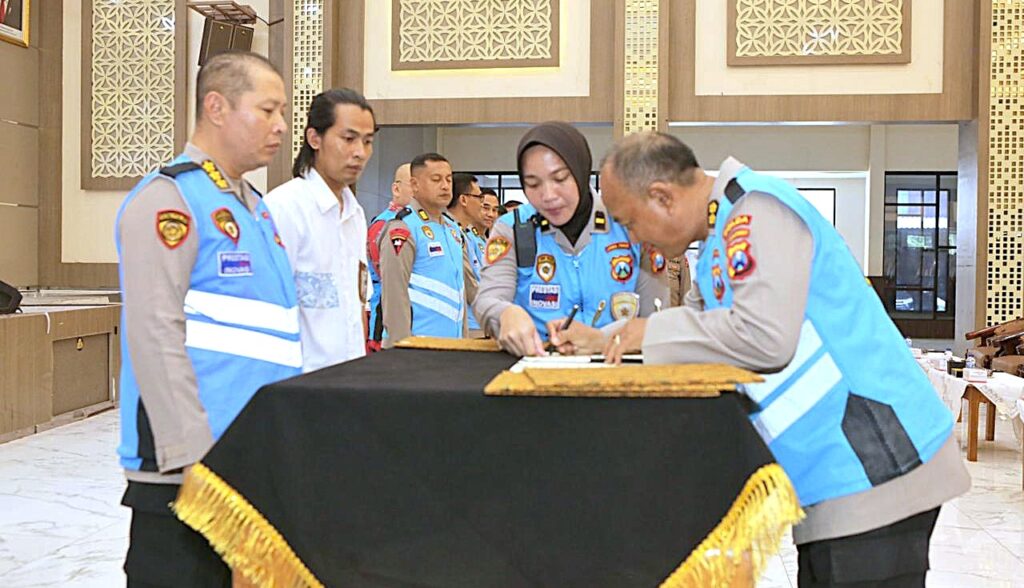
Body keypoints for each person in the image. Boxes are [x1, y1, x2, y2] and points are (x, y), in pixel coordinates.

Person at [553, 131, 970, 587]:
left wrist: (648, 333)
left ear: (662, 197)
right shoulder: (718, 239)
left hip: (873, 462)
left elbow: (765, 337)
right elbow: (696, 324)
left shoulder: (757, 212)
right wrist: (602, 339)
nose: (634, 238)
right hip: (832, 474)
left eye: (631, 222)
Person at [114, 52, 298, 587]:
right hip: (189, 470)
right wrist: (191, 457)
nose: (281, 126)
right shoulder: (170, 198)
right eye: (267, 110)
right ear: (216, 107)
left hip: (248, 455)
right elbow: (154, 333)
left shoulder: (253, 206)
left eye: (283, 112)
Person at [473, 121, 668, 356]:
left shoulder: (630, 222)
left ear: (580, 170)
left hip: (616, 366)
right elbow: (487, 300)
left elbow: (656, 321)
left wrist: (604, 340)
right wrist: (504, 313)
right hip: (537, 366)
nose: (548, 195)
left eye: (560, 179)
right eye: (533, 184)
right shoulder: (513, 228)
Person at [264, 88, 376, 372]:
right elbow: (268, 307)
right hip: (299, 379)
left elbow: (358, 302)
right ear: (314, 138)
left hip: (348, 377)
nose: (360, 152)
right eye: (348, 139)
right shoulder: (284, 208)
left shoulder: (355, 214)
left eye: (367, 141)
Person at [376, 153, 478, 347]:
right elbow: (394, 297)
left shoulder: (453, 230)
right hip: (418, 348)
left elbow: (467, 288)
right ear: (414, 185)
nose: (445, 186)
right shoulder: (403, 228)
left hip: (453, 346)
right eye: (436, 179)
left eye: (448, 179)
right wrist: (402, 348)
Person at [366, 163, 413, 351]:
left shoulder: (421, 222)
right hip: (386, 317)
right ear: (396, 189)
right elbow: (388, 275)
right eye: (413, 184)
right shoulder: (385, 224)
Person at [447, 173, 488, 334]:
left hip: (475, 320)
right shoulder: (450, 232)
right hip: (468, 322)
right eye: (479, 198)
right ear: (463, 200)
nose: (482, 204)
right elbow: (469, 283)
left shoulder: (467, 234)